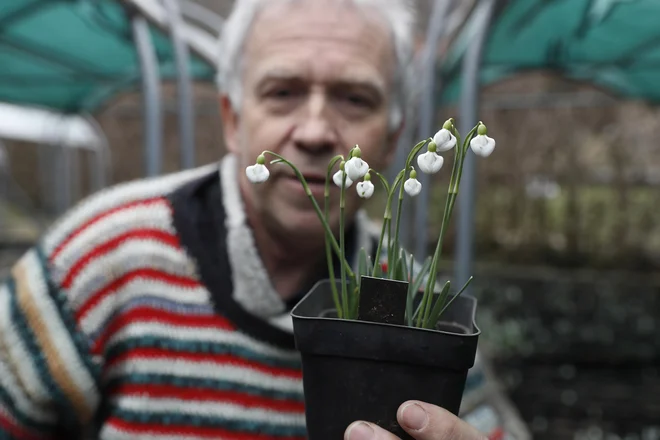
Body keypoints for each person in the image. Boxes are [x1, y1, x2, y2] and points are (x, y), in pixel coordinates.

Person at [0, 0, 488, 439]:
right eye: (282, 91)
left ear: (393, 136)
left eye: (354, 99)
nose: (316, 132)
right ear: (232, 120)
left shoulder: (419, 304)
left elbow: (489, 430)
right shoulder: (101, 256)